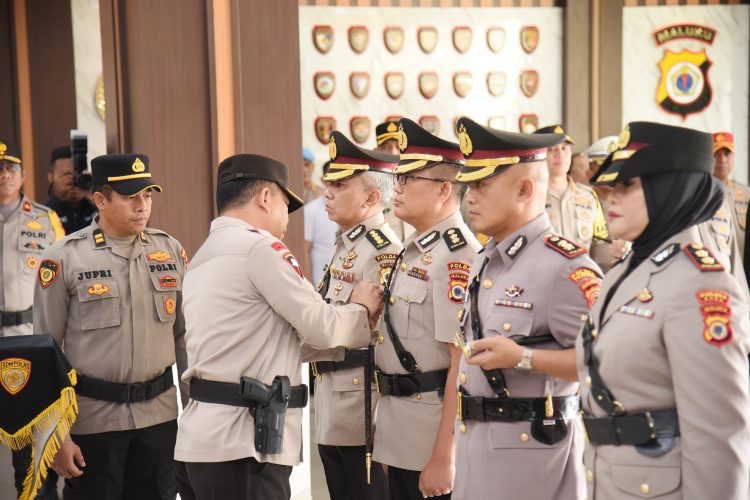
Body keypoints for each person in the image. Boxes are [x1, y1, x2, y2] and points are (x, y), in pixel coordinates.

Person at [174, 154, 383, 500]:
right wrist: (361, 308)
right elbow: (320, 326)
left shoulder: (201, 258)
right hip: (244, 449)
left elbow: (272, 338)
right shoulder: (262, 249)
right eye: (287, 204)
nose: (287, 217)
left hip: (200, 444)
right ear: (265, 198)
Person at [579, 122, 750, 498]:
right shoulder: (623, 271)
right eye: (611, 187)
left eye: (627, 186)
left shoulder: (703, 286)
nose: (611, 198)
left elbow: (718, 440)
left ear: (669, 190)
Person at [451, 117, 601, 499]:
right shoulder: (486, 258)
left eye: (481, 184)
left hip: (533, 462)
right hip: (476, 452)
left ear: (524, 189)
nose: (470, 196)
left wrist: (524, 357)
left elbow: (605, 361)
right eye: (469, 185)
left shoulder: (565, 267)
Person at [35, 153, 189, 499]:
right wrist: (56, 436)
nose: (142, 205)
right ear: (100, 200)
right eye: (131, 196)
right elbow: (45, 353)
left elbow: (185, 340)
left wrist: (194, 417)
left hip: (159, 421)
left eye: (147, 195)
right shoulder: (64, 259)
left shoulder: (171, 251)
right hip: (92, 425)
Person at [373, 118, 480, 500]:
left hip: (429, 441)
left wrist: (444, 455)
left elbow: (460, 365)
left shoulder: (457, 256)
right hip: (401, 435)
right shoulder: (414, 249)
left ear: (443, 190)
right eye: (398, 178)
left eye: (408, 179)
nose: (397, 188)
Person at [305, 131, 401, 500]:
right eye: (328, 183)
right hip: (333, 400)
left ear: (372, 197)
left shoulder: (382, 252)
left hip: (363, 406)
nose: (327, 192)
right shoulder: (346, 244)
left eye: (340, 185)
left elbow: (379, 336)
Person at [0, 139, 64, 500]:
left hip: (29, 336)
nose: (4, 175)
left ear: (23, 175)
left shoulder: (44, 218)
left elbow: (64, 272)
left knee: (31, 429)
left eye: (10, 168)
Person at [535, 125, 620, 271]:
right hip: (541, 282)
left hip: (581, 282)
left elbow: (596, 248)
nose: (560, 154)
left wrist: (612, 251)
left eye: (564, 148)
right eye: (552, 149)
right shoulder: (531, 198)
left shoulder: (588, 197)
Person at [375, 120, 414, 242]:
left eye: (399, 147)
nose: (393, 152)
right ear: (376, 151)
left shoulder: (418, 182)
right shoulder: (369, 186)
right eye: (386, 147)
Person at [712, 132, 749, 258]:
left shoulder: (745, 193)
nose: (722, 160)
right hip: (720, 268)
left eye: (726, 154)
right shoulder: (702, 195)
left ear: (733, 156)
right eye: (716, 154)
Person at [45, 146, 97, 234]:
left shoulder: (96, 208)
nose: (73, 179)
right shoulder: (45, 213)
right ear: (51, 178)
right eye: (66, 174)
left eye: (77, 174)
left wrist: (94, 197)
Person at [304, 161, 338, 284]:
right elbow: (305, 250)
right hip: (319, 281)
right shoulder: (310, 210)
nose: (334, 184)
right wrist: (308, 286)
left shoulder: (352, 210)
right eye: (330, 179)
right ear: (323, 180)